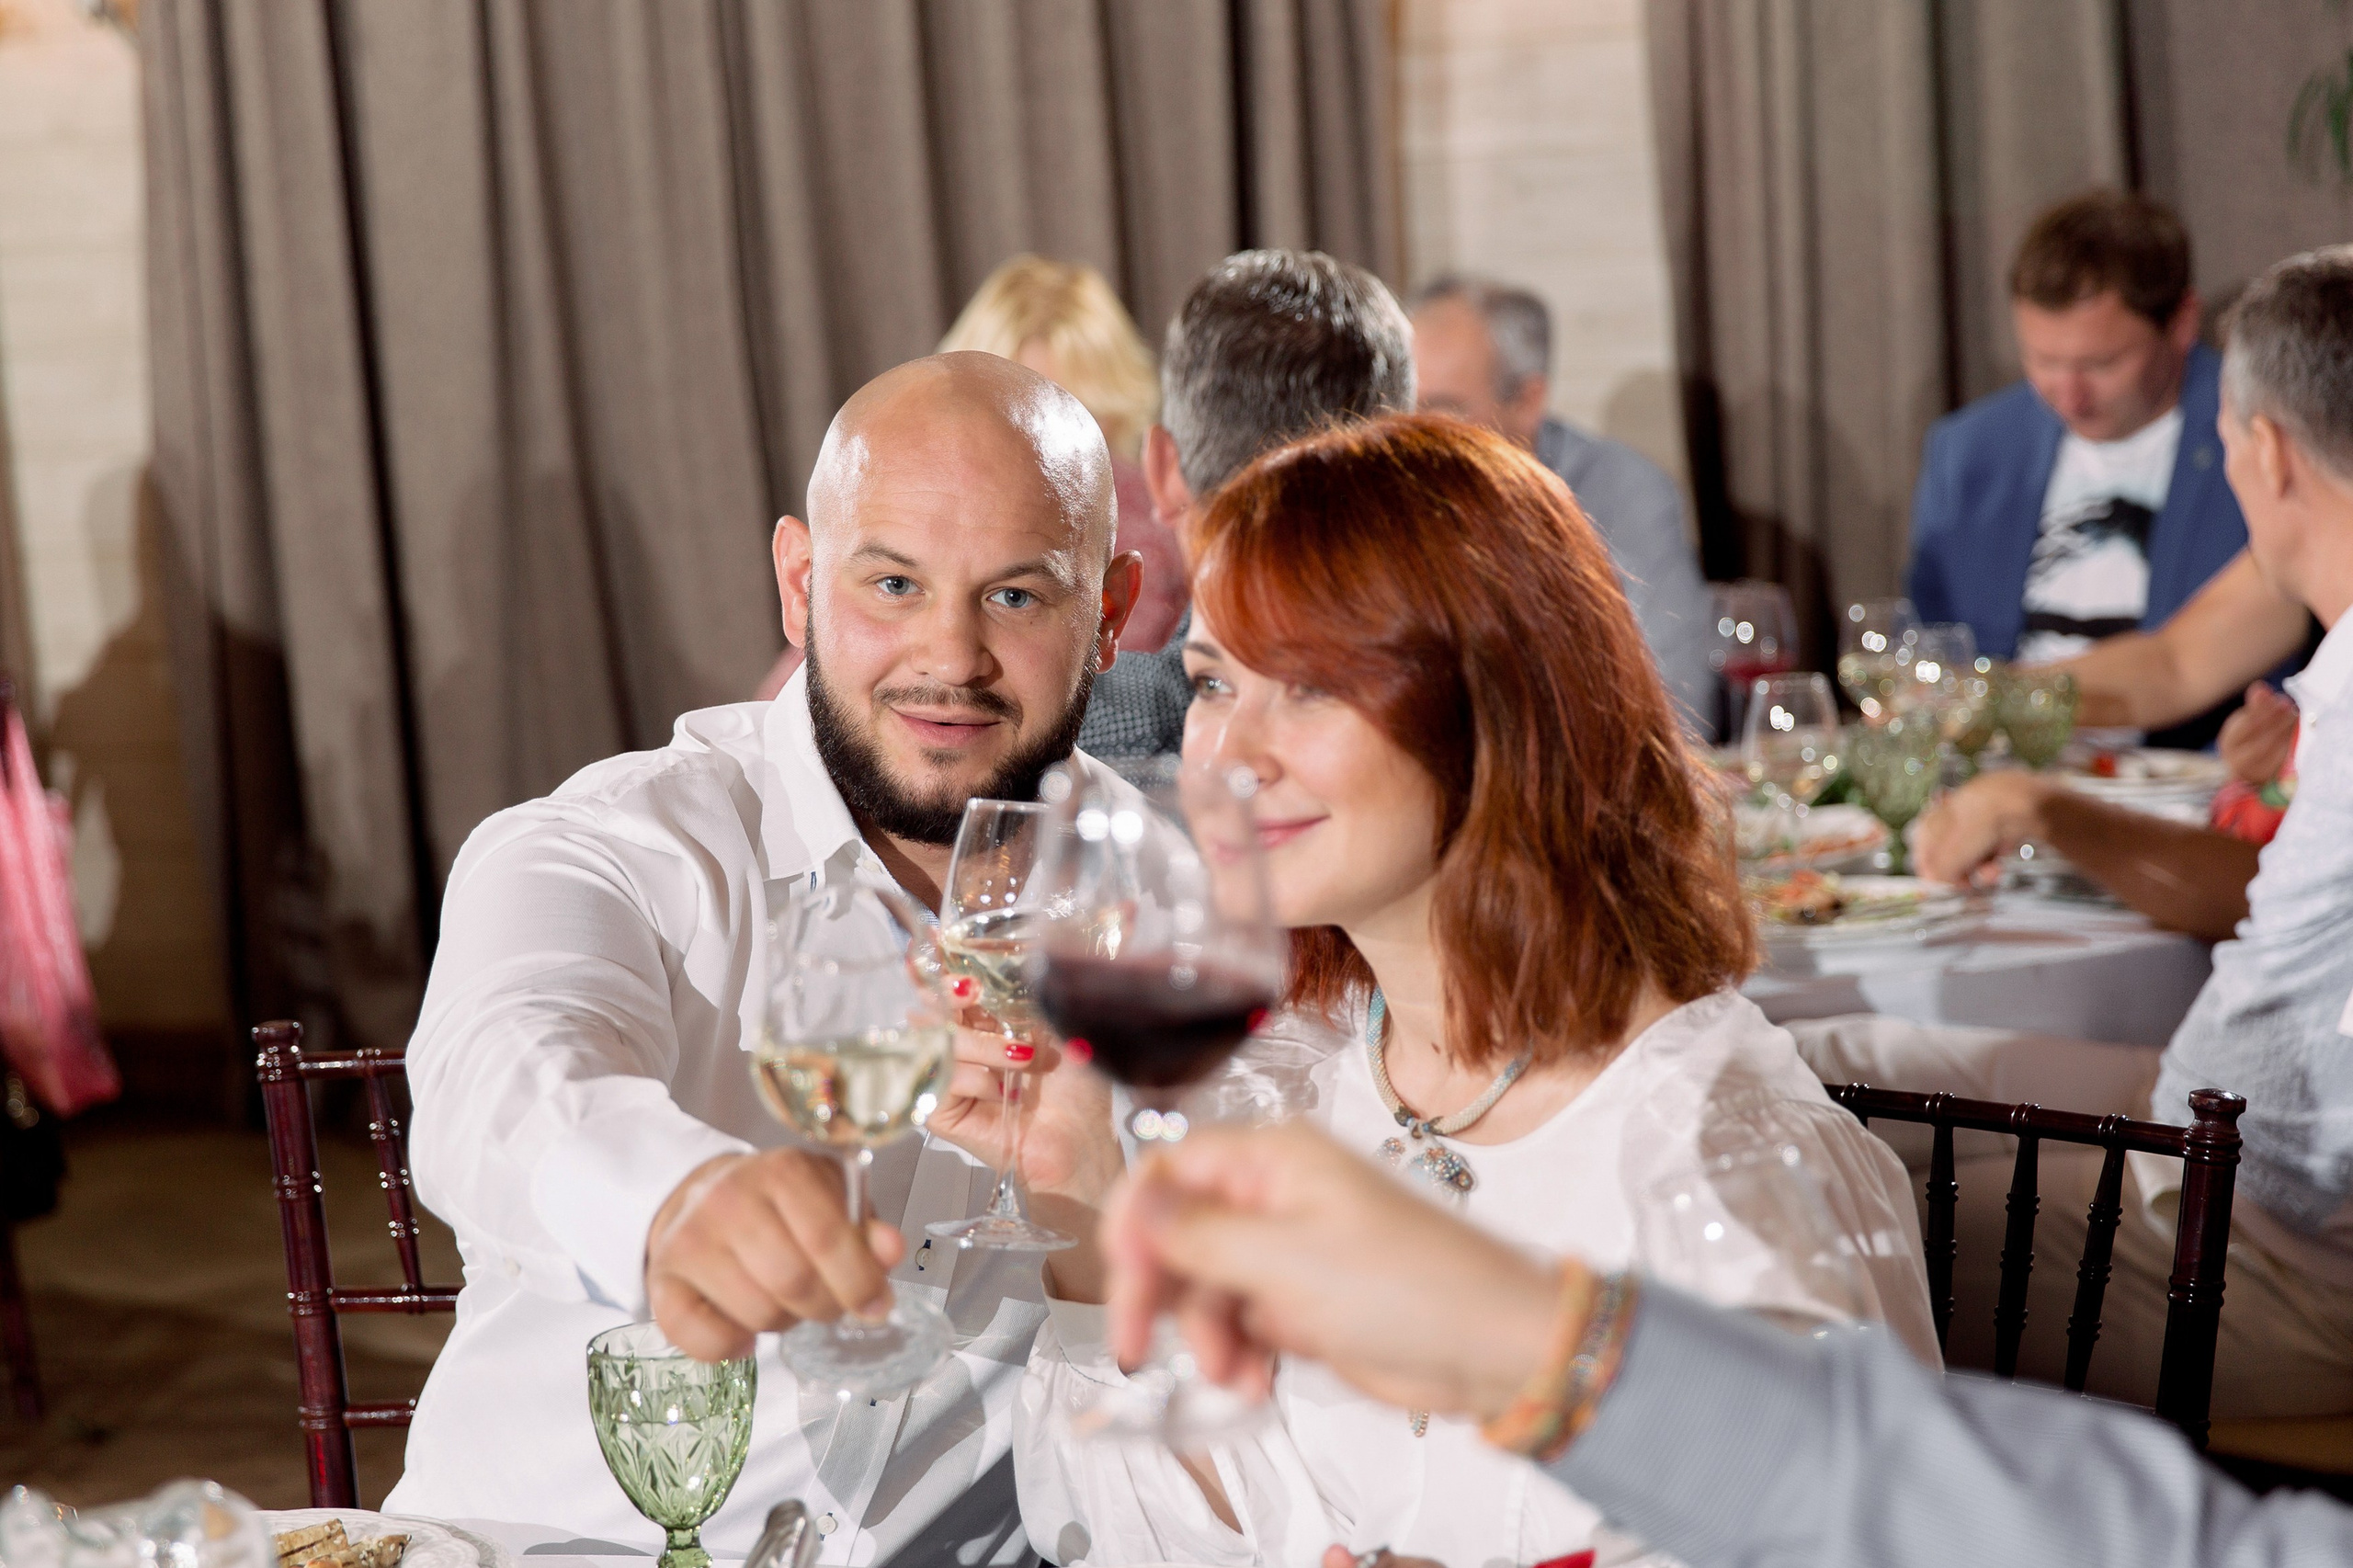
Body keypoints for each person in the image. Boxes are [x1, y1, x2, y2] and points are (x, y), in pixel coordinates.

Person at [1016, 415, 1937, 1566]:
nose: (1227, 757)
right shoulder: (1312, 1095)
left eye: (1306, 687)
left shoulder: (1726, 1163)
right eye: (1212, 683)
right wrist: (1082, 1197)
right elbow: (1194, 1528)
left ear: (1495, 705)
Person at [384, 353, 1154, 1563]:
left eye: (1016, 596)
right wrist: (677, 1197)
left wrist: (1106, 1203)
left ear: (1108, 613)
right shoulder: (620, 842)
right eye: (893, 582)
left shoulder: (1168, 900)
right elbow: (504, 1061)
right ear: (800, 584)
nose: (948, 657)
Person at [1821, 246, 2353, 1421]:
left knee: (1776, 1209)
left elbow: (2237, 891)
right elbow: (2169, 666)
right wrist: (1979, 704)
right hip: (2222, 1136)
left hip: (2271, 1242)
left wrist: (2045, 806)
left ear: (2265, 449)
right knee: (1809, 1064)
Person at [1098, 1121, 2353, 1568]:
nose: (1237, 753)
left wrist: (1537, 1345)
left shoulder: (1716, 1134)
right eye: (1216, 686)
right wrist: (1530, 1340)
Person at [1905, 190, 2254, 748]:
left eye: (2101, 364)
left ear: (2183, 322)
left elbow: (2180, 669)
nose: (2068, 395)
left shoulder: (2259, 434)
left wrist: (1984, 700)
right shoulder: (1971, 450)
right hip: (2004, 776)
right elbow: (1927, 643)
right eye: (2043, 360)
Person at [1073, 249, 1416, 762]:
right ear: (1408, 476)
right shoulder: (1483, 717)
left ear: (1163, 470)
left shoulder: (1060, 745)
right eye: (1215, 687)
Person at [1409, 276, 1714, 737]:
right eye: (1399, 406)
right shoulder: (1387, 497)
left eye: (1443, 411)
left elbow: (1679, 704)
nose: (1412, 436)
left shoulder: (1617, 491)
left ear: (1528, 401)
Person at [938, 255, 1188, 653]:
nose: (1044, 444)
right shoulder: (913, 502)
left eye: (1077, 409)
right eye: (1018, 412)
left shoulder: (1155, 532)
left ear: (1113, 406)